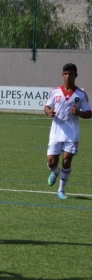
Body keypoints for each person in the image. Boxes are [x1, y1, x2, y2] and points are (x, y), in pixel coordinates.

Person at [44, 63, 91, 199]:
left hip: (72, 133)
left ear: (76, 75)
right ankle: (55, 171)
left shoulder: (81, 94)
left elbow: (89, 113)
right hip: (56, 132)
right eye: (65, 74)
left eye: (70, 74)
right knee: (52, 162)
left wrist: (79, 112)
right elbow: (47, 106)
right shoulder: (55, 91)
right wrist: (49, 112)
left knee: (66, 161)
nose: (68, 76)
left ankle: (61, 190)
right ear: (62, 75)